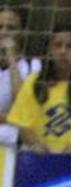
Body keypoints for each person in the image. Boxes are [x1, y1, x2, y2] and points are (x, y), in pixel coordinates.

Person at [5, 24, 71, 154]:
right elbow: (21, 121)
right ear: (49, 51)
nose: (63, 51)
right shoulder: (33, 82)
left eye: (69, 46)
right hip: (38, 155)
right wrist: (34, 143)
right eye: (58, 45)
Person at [0, 7, 42, 149]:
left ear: (22, 33)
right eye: (0, 27)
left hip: (15, 146)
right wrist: (10, 118)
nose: (4, 32)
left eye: (10, 28)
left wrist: (11, 57)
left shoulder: (33, 66)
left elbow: (21, 107)